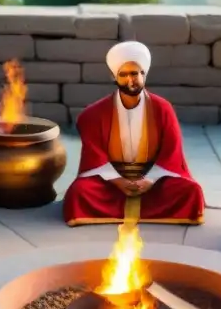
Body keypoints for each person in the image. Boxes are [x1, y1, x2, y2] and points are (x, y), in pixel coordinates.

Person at [63, 41, 205, 226]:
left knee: (191, 192)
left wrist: (151, 180)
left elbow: (172, 153)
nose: (131, 80)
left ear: (144, 75)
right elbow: (94, 156)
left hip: (154, 179)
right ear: (114, 77)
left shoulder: (162, 108)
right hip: (112, 180)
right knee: (78, 193)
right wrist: (116, 180)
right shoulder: (94, 114)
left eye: (135, 73)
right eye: (123, 74)